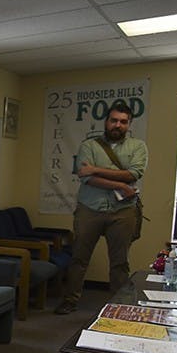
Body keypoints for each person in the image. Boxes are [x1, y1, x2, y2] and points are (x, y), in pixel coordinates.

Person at [54, 102, 147, 314]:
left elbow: (134, 173)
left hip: (123, 211)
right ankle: (70, 300)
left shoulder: (138, 147)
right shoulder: (89, 146)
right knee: (79, 258)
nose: (118, 125)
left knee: (120, 262)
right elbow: (86, 178)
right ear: (106, 122)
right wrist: (120, 184)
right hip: (90, 209)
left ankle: (118, 304)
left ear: (129, 124)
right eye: (114, 120)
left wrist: (96, 169)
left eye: (123, 122)